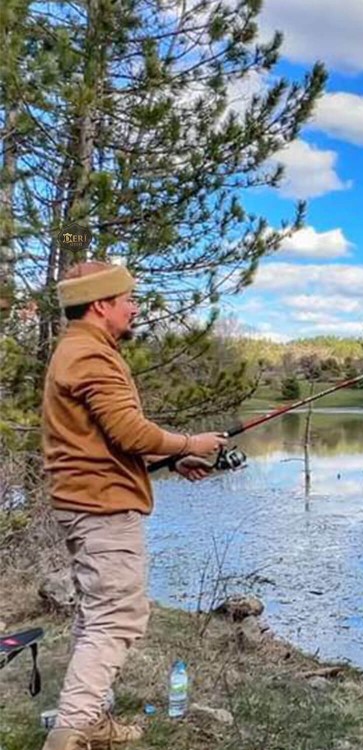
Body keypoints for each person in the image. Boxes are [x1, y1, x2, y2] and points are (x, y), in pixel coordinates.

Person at [41, 261, 227, 750]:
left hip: (86, 499)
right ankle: (70, 733)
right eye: (129, 299)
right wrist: (191, 440)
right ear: (102, 304)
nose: (135, 308)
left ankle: (93, 724)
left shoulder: (80, 349)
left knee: (95, 614)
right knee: (116, 617)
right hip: (100, 509)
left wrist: (173, 457)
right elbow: (129, 431)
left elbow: (103, 442)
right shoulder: (91, 356)